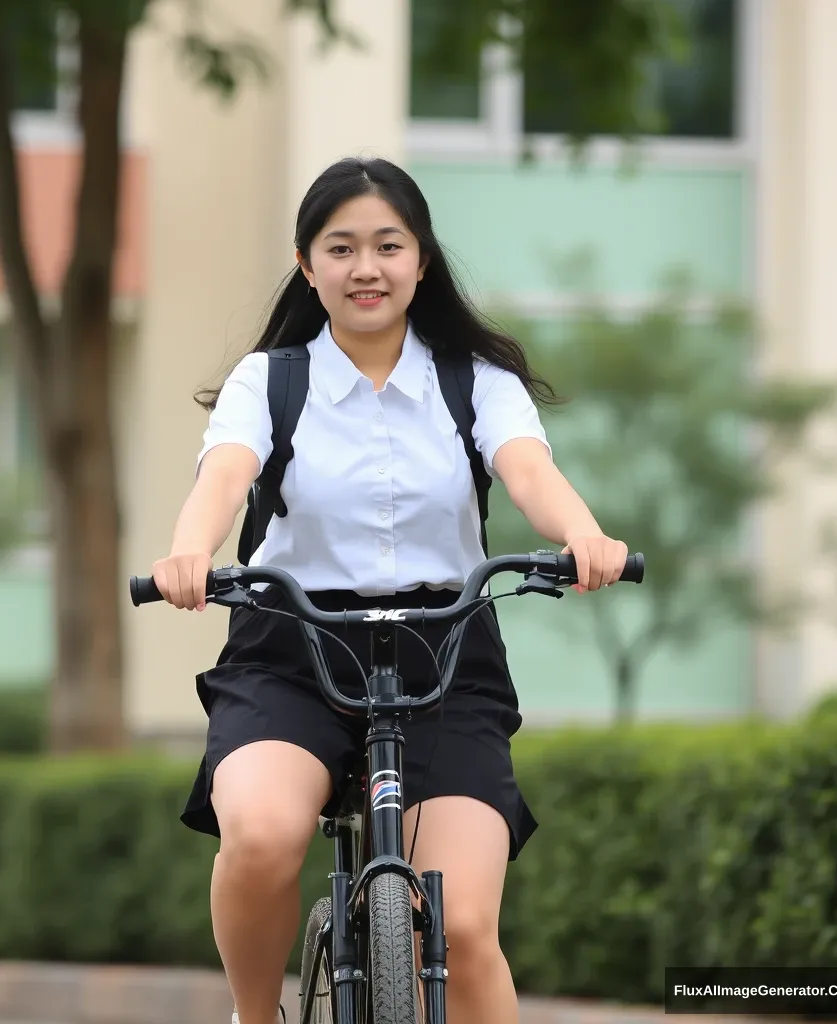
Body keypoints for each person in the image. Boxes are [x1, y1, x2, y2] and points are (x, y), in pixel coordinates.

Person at [151, 156, 629, 1024]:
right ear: (307, 265)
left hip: (443, 652)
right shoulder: (273, 381)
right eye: (341, 248)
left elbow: (527, 470)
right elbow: (225, 476)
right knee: (259, 839)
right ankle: (254, 1016)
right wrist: (190, 552)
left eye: (387, 246)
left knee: (468, 930)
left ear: (422, 260)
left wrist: (583, 534)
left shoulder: (475, 381)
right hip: (292, 649)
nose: (365, 267)